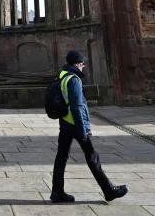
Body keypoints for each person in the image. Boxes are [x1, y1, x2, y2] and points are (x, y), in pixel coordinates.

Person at [50, 50, 128, 203]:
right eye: (83, 64)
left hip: (65, 122)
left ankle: (57, 192)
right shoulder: (74, 80)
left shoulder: (62, 76)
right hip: (75, 124)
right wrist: (84, 129)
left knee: (61, 158)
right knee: (92, 157)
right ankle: (109, 190)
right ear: (78, 64)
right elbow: (77, 106)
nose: (83, 67)